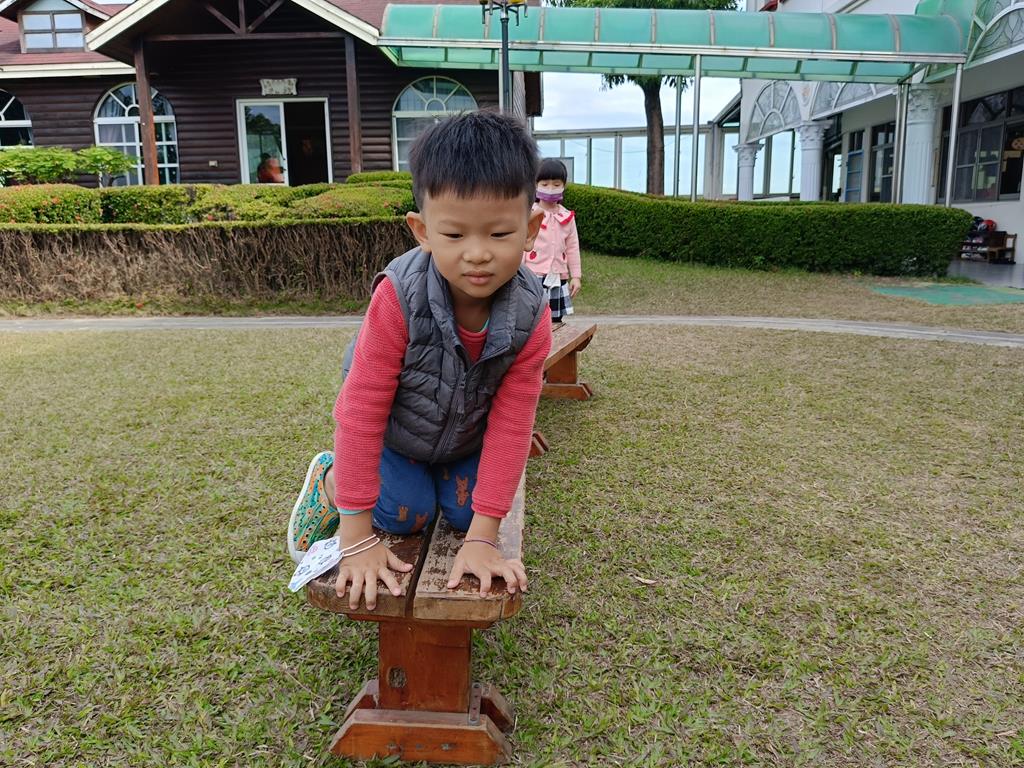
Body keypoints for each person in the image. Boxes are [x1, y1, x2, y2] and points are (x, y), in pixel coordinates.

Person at [287, 111, 552, 611]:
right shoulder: (398, 298)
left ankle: (439, 489)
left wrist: (482, 538)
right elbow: (362, 412)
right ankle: (330, 480)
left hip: (462, 440)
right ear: (422, 230)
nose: (478, 254)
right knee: (404, 515)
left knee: (466, 515)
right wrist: (356, 538)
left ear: (531, 229)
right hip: (399, 437)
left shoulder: (531, 314)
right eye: (454, 235)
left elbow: (513, 423)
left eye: (499, 234)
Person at [522, 158, 581, 323]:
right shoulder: (528, 214)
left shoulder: (567, 217)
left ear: (563, 186)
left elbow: (573, 247)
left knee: (555, 321)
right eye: (545, 184)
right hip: (532, 276)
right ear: (535, 185)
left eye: (556, 185)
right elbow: (520, 245)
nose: (550, 189)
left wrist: (576, 276)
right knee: (531, 320)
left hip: (557, 277)